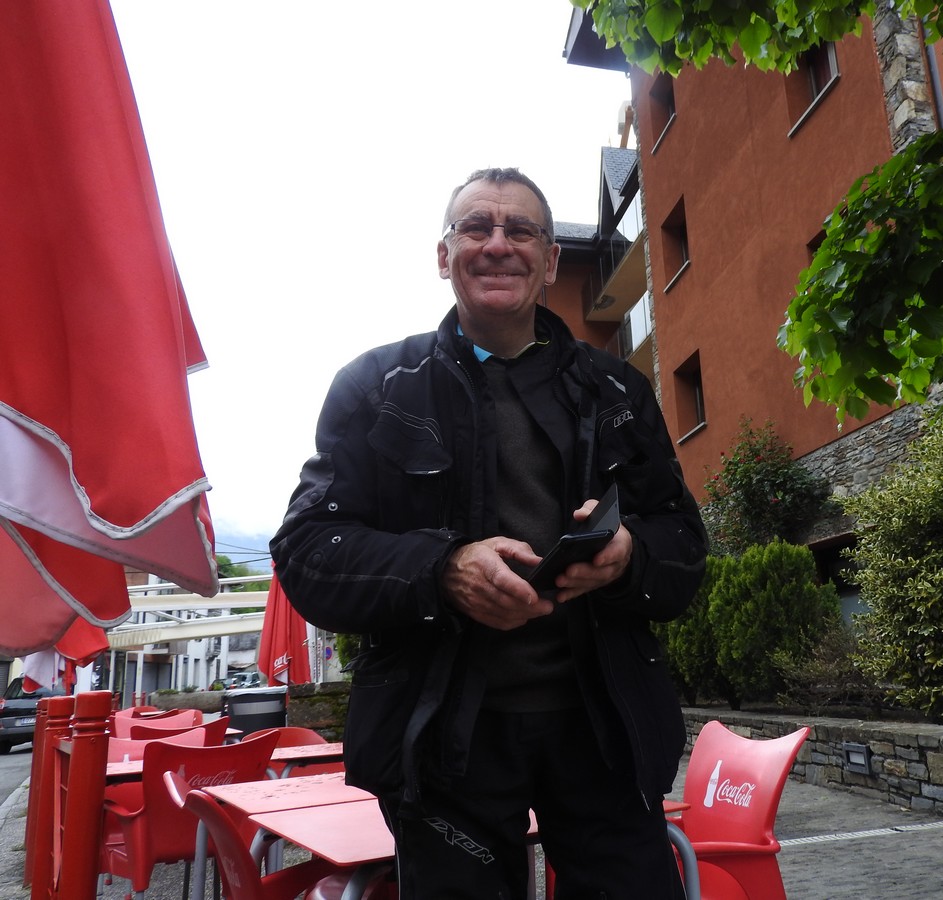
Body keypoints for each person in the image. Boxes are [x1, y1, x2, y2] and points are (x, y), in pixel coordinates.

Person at [271, 167, 708, 899]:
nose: (497, 245)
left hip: (604, 734)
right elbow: (309, 551)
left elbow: (684, 546)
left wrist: (631, 556)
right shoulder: (378, 387)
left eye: (520, 231)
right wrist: (443, 569)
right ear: (444, 257)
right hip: (444, 744)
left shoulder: (617, 391)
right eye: (476, 228)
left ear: (549, 260)